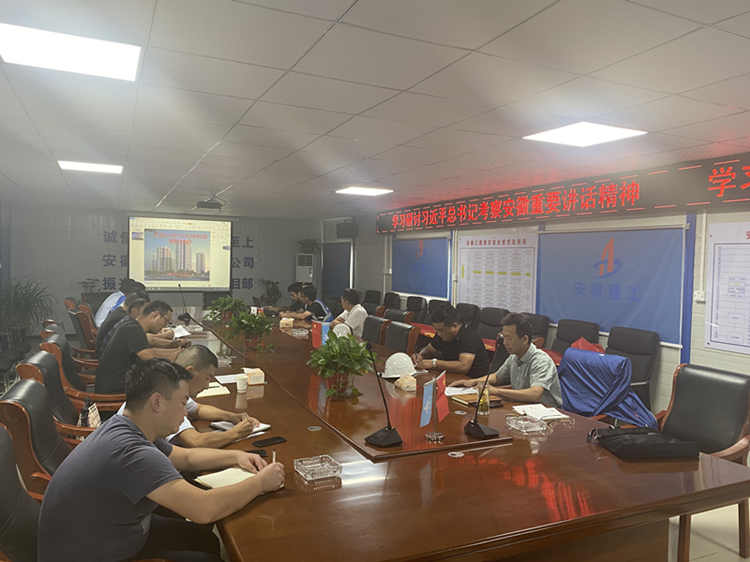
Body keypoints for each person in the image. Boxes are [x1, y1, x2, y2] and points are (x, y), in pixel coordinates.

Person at [38, 359, 285, 562]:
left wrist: (237, 456)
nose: (185, 412)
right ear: (156, 402)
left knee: (204, 539)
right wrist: (261, 483)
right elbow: (203, 508)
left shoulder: (127, 425)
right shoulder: (131, 452)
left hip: (111, 532)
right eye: (182, 402)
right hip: (93, 553)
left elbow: (186, 457)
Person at [116, 345, 261, 447]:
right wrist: (236, 433)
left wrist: (231, 417)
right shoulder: (168, 394)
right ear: (190, 371)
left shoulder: (168, 382)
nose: (208, 385)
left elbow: (197, 409)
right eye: (207, 377)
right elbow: (196, 442)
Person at [450, 313, 562, 407]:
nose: (504, 343)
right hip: (523, 407)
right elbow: (497, 377)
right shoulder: (514, 356)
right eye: (504, 337)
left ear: (524, 339)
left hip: (546, 413)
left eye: (509, 338)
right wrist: (474, 381)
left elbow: (535, 394)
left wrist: (496, 391)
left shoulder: (541, 361)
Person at [95, 301, 185, 394]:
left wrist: (177, 353)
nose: (165, 326)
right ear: (155, 315)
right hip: (115, 391)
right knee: (170, 385)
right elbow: (151, 359)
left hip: (117, 383)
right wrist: (179, 358)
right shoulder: (132, 328)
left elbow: (151, 351)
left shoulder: (132, 324)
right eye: (166, 321)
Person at [413, 304, 489, 379]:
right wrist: (419, 355)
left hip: (473, 380)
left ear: (454, 326)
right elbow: (429, 350)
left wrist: (434, 363)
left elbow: (463, 366)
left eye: (440, 330)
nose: (438, 334)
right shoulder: (442, 333)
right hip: (452, 375)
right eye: (436, 330)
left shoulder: (469, 336)